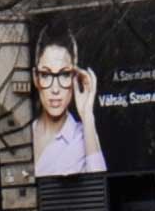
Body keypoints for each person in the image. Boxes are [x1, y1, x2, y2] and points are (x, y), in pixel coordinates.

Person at [31, 41, 105, 175]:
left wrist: (87, 115)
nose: (55, 89)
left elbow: (99, 185)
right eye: (46, 75)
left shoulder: (84, 136)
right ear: (36, 77)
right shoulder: (26, 132)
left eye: (64, 74)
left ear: (74, 78)